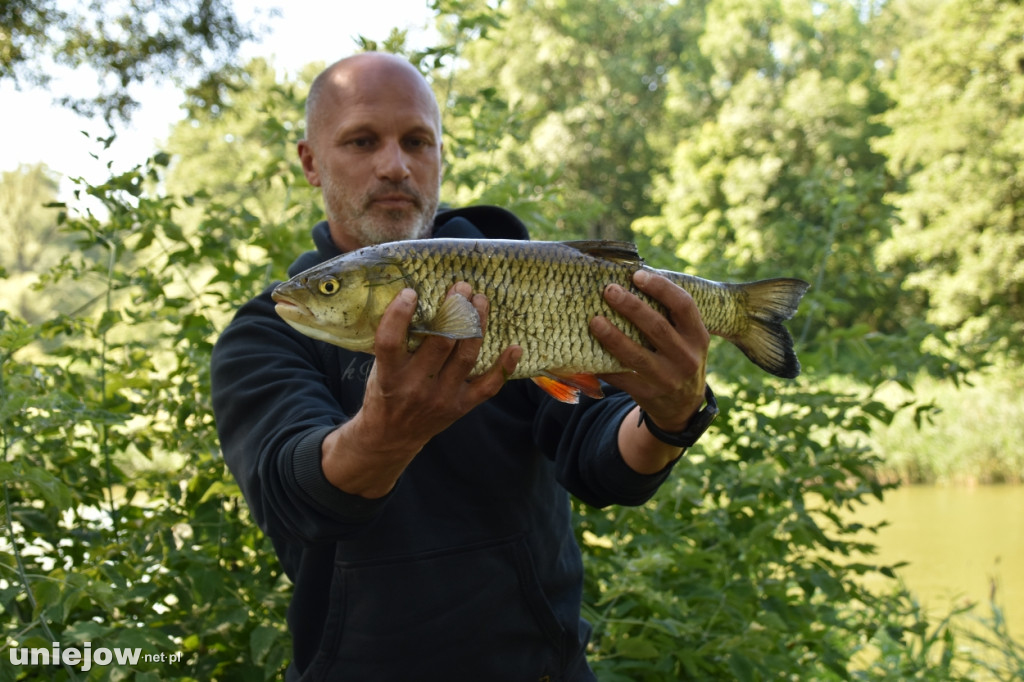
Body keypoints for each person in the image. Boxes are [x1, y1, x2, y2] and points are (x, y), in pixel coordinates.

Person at [210, 51, 714, 681]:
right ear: (311, 161)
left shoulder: (518, 281)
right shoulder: (269, 331)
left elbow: (605, 465)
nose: (395, 165)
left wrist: (673, 415)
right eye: (363, 140)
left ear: (441, 155)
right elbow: (296, 502)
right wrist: (387, 432)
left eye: (417, 141)